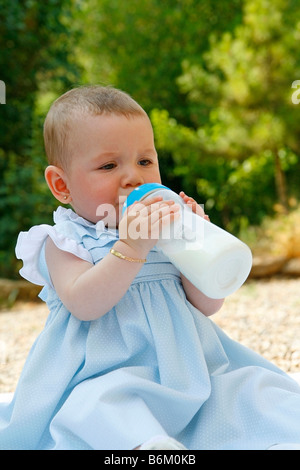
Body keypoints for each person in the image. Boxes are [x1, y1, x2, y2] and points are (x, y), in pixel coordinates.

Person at [0, 85, 300, 450]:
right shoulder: (63, 240)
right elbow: (85, 303)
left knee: (253, 390)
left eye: (145, 161)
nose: (133, 177)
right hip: (105, 374)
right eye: (109, 165)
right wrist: (131, 246)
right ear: (61, 185)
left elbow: (207, 304)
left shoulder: (166, 230)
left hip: (188, 373)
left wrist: (198, 245)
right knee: (100, 406)